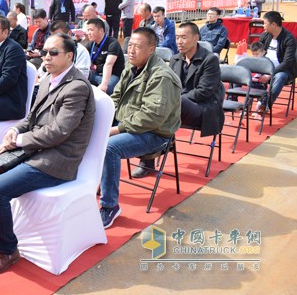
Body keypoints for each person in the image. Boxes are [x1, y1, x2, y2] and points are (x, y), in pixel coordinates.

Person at [0, 33, 95, 275]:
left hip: (58, 159)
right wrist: (14, 130)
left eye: (53, 53)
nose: (46, 57)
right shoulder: (48, 79)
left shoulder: (77, 87)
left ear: (69, 56)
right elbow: (31, 118)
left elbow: (59, 131)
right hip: (38, 150)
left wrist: (20, 140)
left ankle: (7, 251)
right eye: (44, 52)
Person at [99, 27, 181, 228]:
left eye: (137, 47)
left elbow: (152, 117)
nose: (131, 50)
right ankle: (92, 184)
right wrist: (103, 120)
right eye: (130, 46)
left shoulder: (161, 76)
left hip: (155, 133)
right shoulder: (131, 67)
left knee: (109, 147)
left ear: (151, 49)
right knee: (88, 133)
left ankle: (110, 206)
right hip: (129, 124)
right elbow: (116, 97)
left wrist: (116, 129)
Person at [165, 22, 225, 176]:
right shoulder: (175, 59)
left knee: (166, 106)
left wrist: (175, 99)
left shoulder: (209, 60)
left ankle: (160, 144)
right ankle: (149, 158)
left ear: (196, 38)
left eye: (184, 37)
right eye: (177, 37)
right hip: (177, 108)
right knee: (154, 106)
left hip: (202, 109)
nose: (179, 41)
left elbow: (203, 92)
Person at [254, 11, 297, 114]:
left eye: (265, 23)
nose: (263, 26)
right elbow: (258, 53)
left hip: (283, 70)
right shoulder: (265, 35)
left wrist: (270, 74)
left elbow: (287, 62)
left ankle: (265, 104)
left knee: (280, 76)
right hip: (264, 67)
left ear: (273, 24)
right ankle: (238, 100)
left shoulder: (289, 39)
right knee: (244, 72)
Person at [85, 18, 125, 95]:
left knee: (107, 88)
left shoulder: (113, 43)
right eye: (88, 30)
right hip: (96, 74)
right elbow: (82, 54)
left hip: (112, 75)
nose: (88, 33)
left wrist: (104, 84)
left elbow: (109, 64)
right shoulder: (91, 44)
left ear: (101, 30)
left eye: (91, 30)